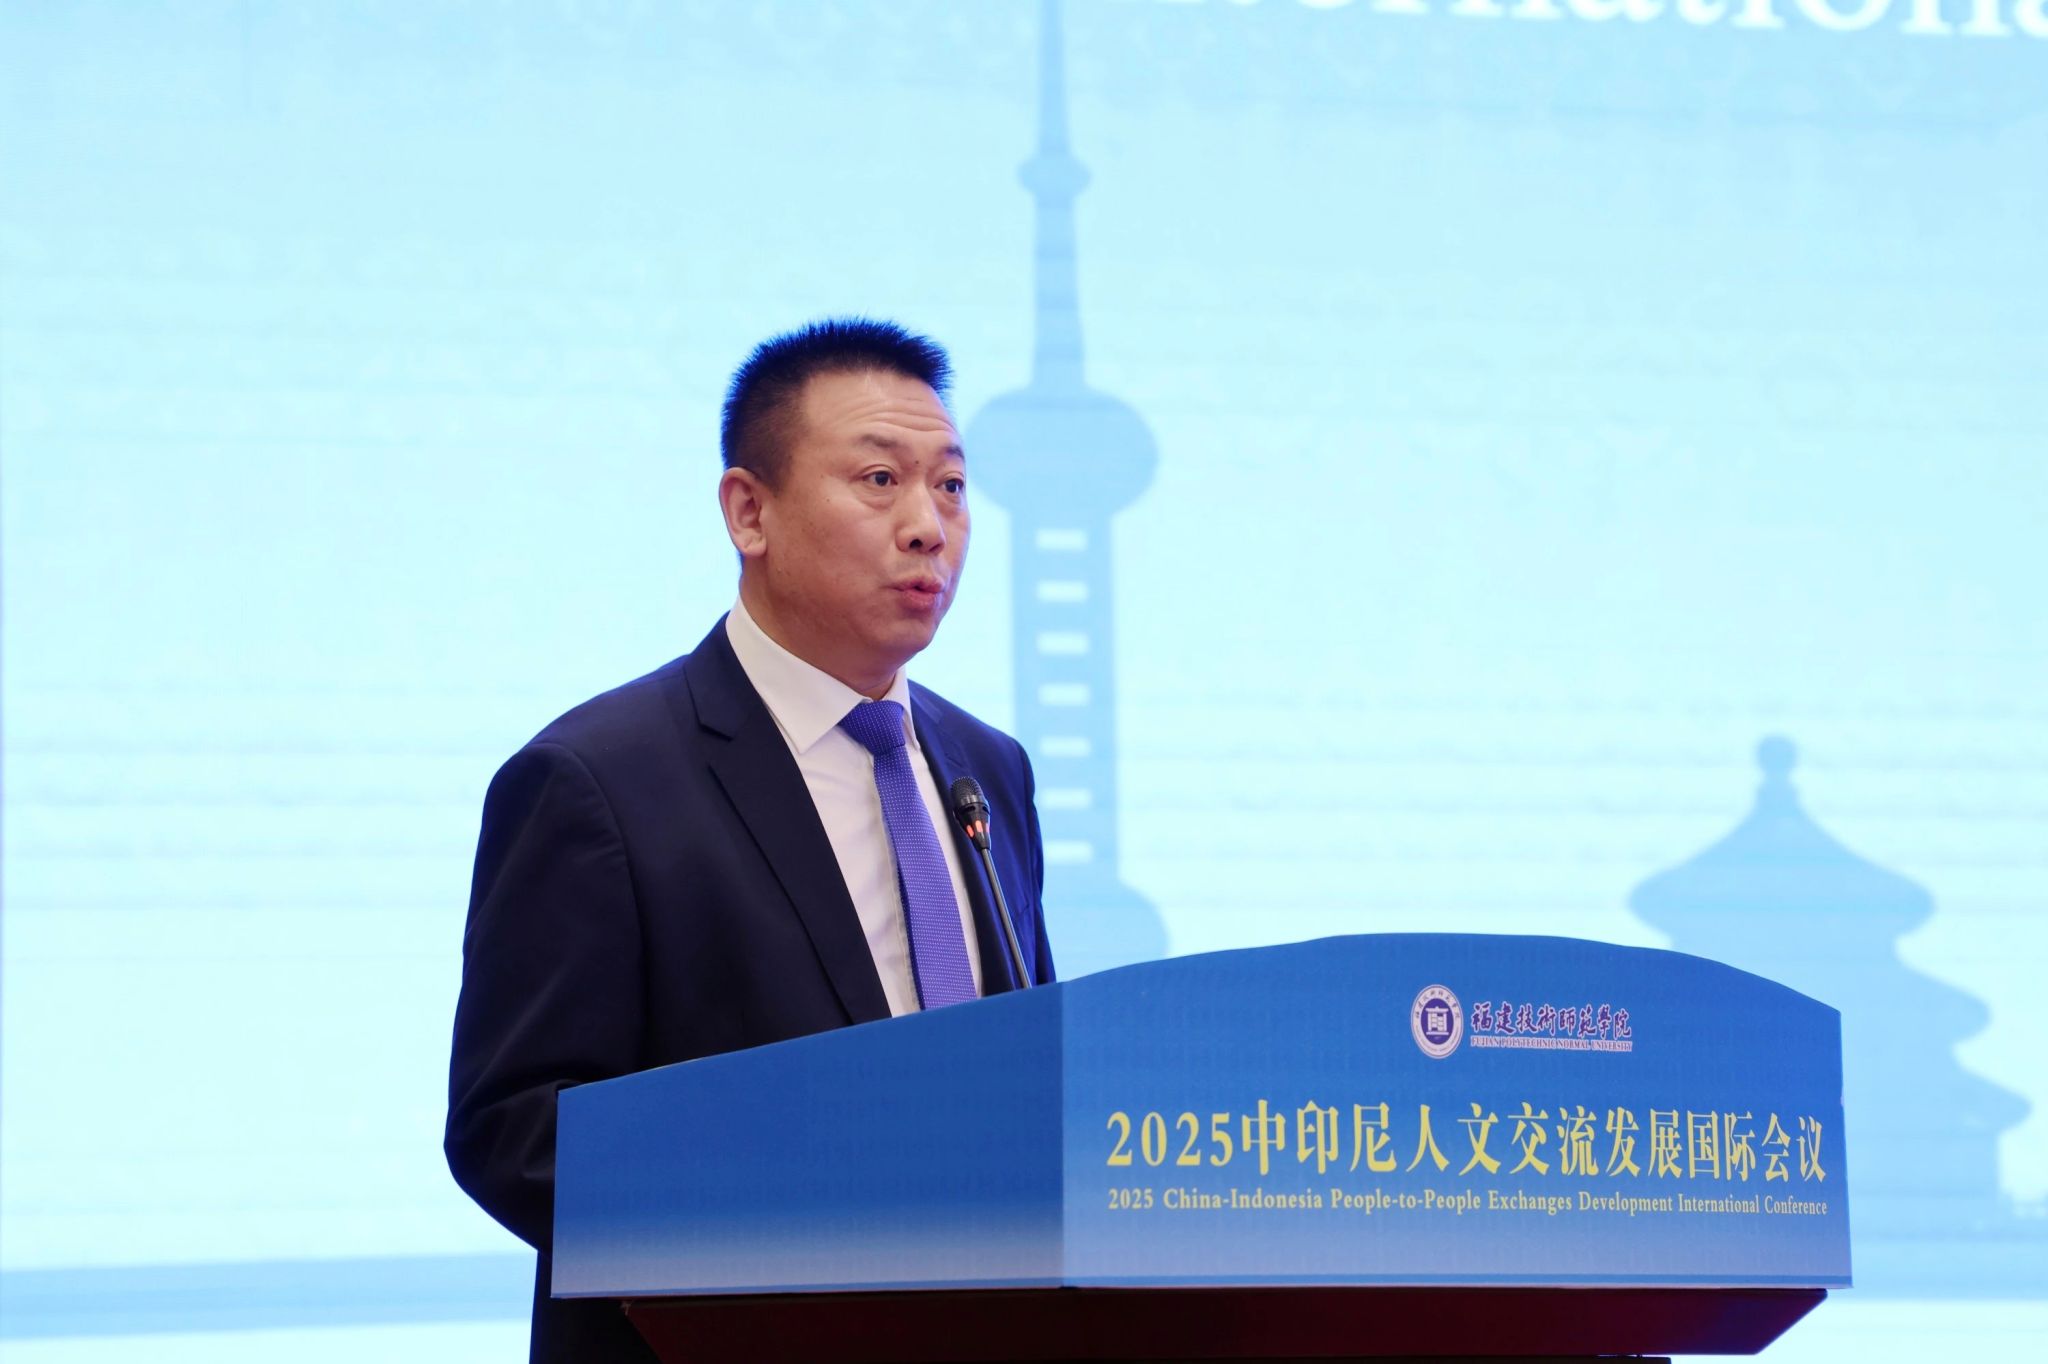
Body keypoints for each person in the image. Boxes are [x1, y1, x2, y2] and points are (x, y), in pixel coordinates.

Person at [443, 319, 1056, 1363]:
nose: (928, 526)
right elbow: (517, 1133)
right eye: (879, 479)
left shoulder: (986, 769)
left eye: (951, 487)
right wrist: (815, 1214)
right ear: (748, 511)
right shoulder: (596, 782)